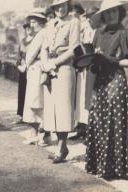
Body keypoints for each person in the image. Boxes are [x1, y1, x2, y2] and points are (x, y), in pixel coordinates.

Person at [85, 0, 128, 180]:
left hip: (116, 80)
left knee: (115, 122)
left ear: (120, 12)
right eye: (107, 13)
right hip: (99, 81)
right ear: (103, 15)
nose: (111, 15)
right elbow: (92, 59)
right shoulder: (98, 33)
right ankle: (101, 166)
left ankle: (118, 169)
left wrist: (112, 60)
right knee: (98, 120)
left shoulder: (126, 34)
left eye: (114, 12)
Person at [41, 0, 80, 163]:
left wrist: (54, 63)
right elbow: (44, 47)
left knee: (63, 109)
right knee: (53, 110)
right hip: (50, 69)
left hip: (64, 69)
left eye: (63, 5)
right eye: (57, 6)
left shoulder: (74, 22)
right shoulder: (50, 24)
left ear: (68, 6)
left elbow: (74, 49)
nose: (60, 9)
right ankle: (61, 147)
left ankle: (61, 147)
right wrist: (45, 65)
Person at [70, 6, 99, 141]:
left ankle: (90, 130)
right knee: (80, 97)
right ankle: (81, 128)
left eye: (92, 16)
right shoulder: (84, 29)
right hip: (82, 66)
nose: (89, 19)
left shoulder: (98, 31)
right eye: (88, 17)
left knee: (89, 97)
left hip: (93, 67)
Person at [21, 11, 47, 145]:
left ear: (41, 22)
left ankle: (40, 135)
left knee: (36, 103)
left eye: (34, 22)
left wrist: (24, 65)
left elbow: (31, 55)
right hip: (34, 70)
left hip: (36, 70)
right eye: (30, 22)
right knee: (34, 103)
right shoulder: (40, 34)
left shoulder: (42, 34)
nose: (31, 25)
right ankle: (35, 134)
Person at [15, 22, 34, 124]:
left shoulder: (35, 40)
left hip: (31, 68)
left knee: (30, 92)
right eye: (27, 29)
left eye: (30, 28)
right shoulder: (23, 41)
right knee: (22, 92)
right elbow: (19, 55)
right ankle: (22, 115)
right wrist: (19, 65)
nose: (28, 30)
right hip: (22, 69)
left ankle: (31, 116)